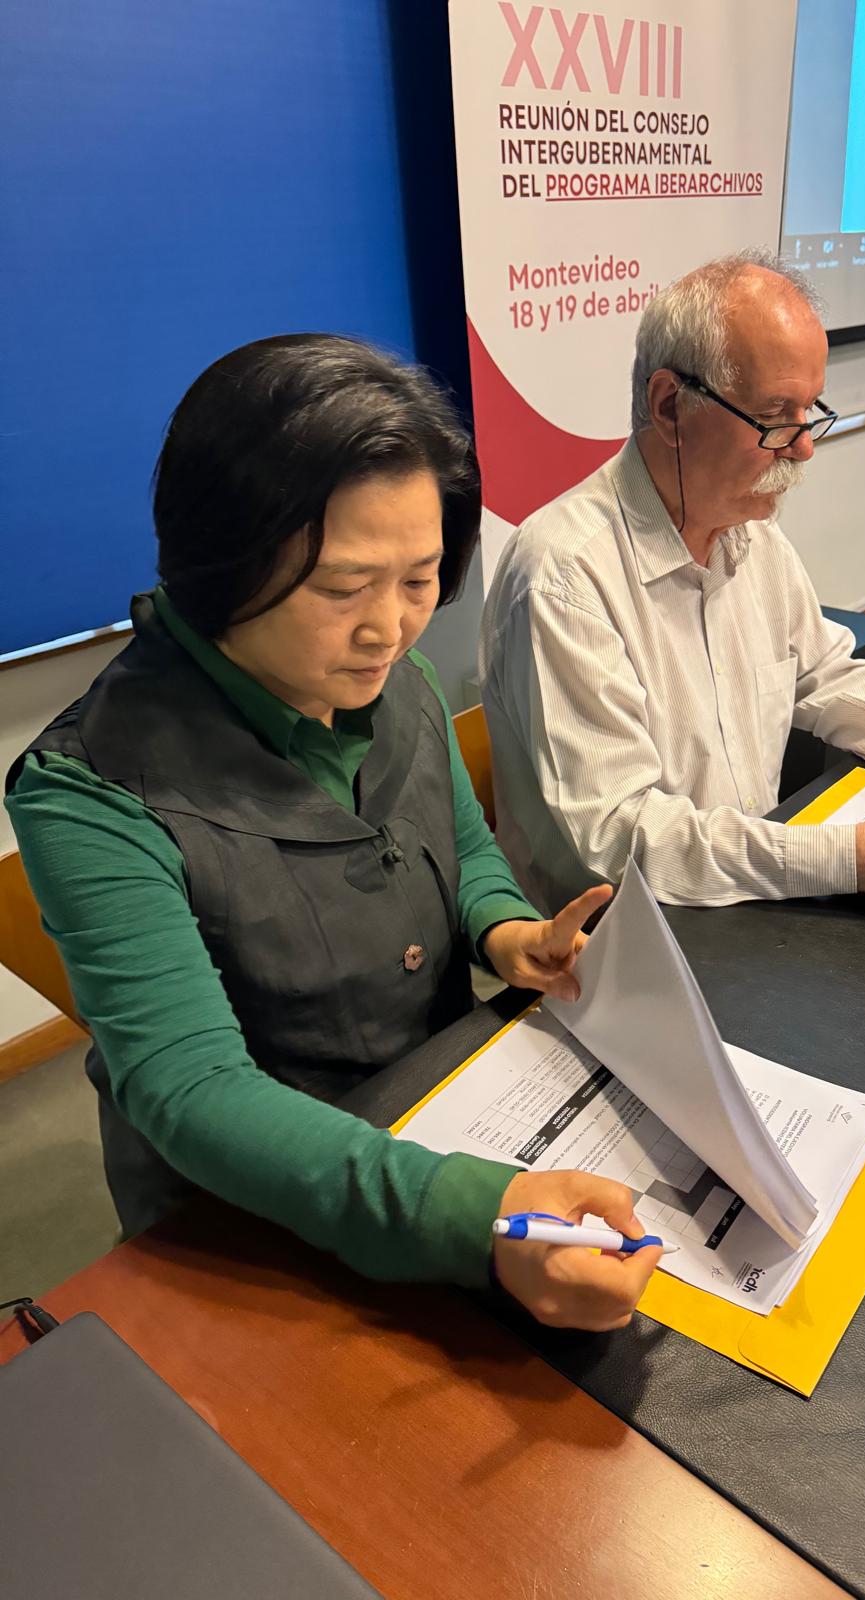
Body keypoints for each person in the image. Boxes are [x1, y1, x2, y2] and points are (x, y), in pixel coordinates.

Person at [5, 335, 659, 1332]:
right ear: (225, 567)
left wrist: (504, 931)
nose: (389, 629)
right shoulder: (90, 790)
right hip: (252, 1225)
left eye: (421, 579)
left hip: (440, 1106)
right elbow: (192, 1090)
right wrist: (471, 1214)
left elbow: (464, 846)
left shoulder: (401, 683)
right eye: (343, 588)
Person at [480, 250, 865, 912]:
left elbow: (824, 673)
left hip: (751, 896)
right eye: (776, 415)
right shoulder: (565, 576)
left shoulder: (748, 533)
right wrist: (844, 859)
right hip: (619, 937)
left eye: (810, 410)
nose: (804, 447)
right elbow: (622, 837)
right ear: (670, 406)